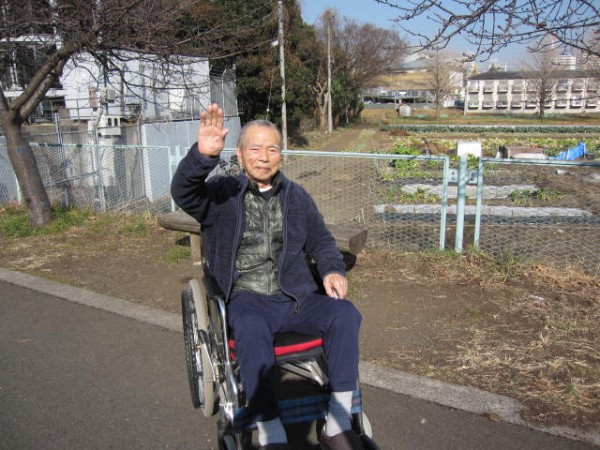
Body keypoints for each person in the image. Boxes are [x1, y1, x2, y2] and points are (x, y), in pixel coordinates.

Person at [171, 104, 364, 450]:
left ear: (281, 155)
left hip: (296, 298)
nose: (264, 157)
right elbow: (183, 192)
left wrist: (332, 269)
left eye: (272, 149)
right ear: (240, 154)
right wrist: (203, 156)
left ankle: (337, 423)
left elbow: (321, 240)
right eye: (255, 148)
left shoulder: (297, 197)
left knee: (345, 314)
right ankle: (270, 429)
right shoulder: (221, 195)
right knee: (249, 325)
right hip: (247, 298)